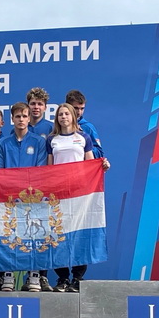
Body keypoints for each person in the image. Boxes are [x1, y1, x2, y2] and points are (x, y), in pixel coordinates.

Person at [47, 103, 110, 292]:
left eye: (67, 114)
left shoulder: (84, 137)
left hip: (79, 194)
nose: (64, 117)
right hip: (58, 195)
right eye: (60, 114)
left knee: (80, 235)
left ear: (73, 117)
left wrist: (103, 166)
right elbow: (48, 168)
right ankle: (62, 278)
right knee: (58, 236)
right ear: (57, 118)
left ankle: (77, 278)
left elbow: (91, 164)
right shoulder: (52, 139)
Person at [0, 102, 49, 292]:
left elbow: (40, 170)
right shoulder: (3, 143)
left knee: (34, 235)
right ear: (12, 119)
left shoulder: (38, 142)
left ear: (29, 118)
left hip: (32, 197)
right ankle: (8, 275)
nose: (21, 119)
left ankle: (33, 275)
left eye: (24, 116)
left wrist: (28, 191)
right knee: (10, 235)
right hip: (10, 198)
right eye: (18, 116)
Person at [65, 90, 104, 159]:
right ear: (68, 107)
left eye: (82, 108)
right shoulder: (59, 127)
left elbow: (99, 153)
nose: (79, 112)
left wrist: (83, 141)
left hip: (82, 165)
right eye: (76, 108)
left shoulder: (87, 127)